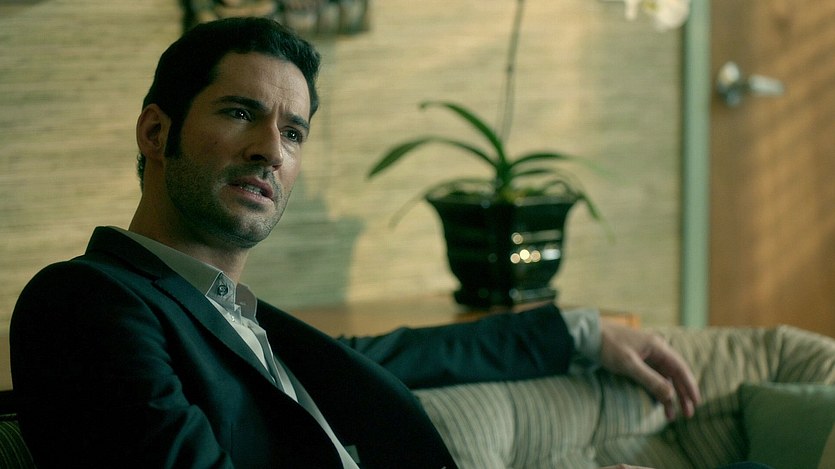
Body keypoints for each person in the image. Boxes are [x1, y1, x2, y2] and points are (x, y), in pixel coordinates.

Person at [9, 17, 700, 469]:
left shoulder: (238, 320)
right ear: (156, 133)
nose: (270, 150)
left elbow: (399, 354)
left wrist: (581, 333)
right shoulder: (88, 302)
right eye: (240, 112)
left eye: (293, 132)